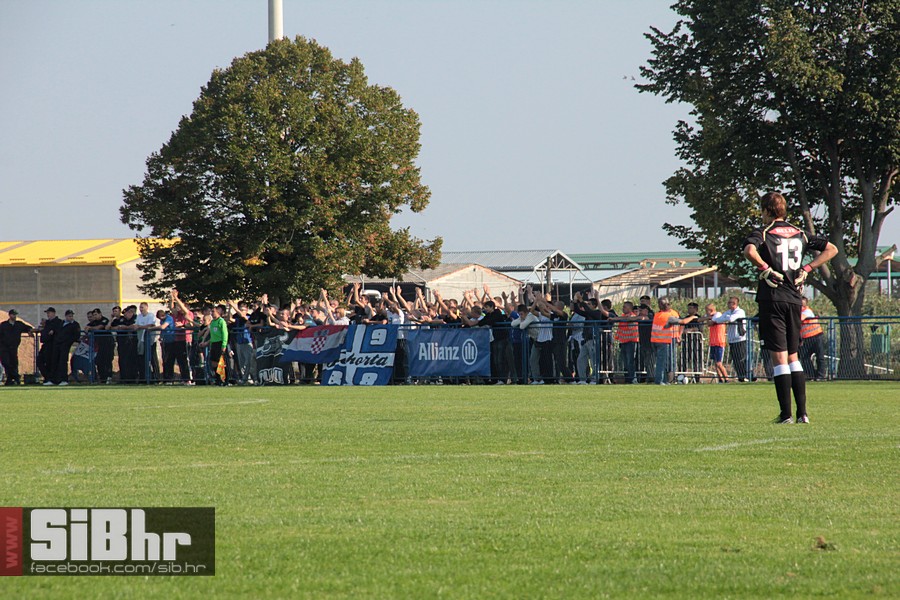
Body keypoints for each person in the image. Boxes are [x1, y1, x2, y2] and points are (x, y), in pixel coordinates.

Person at [743, 191, 837, 424]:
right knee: (794, 355)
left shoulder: (763, 233)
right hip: (795, 299)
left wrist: (766, 268)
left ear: (766, 211)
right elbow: (832, 249)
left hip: (772, 297)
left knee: (779, 357)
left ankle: (785, 414)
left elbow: (749, 251)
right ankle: (802, 413)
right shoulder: (800, 233)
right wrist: (807, 269)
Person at [712, 296, 751, 381]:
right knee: (735, 360)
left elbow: (731, 319)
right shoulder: (728, 312)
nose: (727, 304)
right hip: (732, 340)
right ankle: (741, 377)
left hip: (740, 339)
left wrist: (725, 318)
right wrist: (724, 318)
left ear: (734, 304)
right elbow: (718, 320)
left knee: (741, 359)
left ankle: (746, 376)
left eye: (729, 303)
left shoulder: (740, 312)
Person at [0, 310, 33, 386]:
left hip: (13, 347)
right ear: (9, 315)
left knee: (14, 363)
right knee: (6, 362)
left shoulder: (19, 324)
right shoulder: (3, 325)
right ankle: (15, 377)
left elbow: (28, 327)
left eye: (15, 315)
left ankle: (11, 379)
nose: (14, 316)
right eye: (13, 315)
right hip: (4, 347)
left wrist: (29, 331)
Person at [650, 297, 679, 385]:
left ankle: (665, 380)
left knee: (663, 361)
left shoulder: (657, 315)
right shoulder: (668, 316)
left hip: (657, 340)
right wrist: (693, 317)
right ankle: (660, 380)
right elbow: (683, 321)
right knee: (662, 362)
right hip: (663, 340)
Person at [50, 309, 81, 385]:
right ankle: (54, 380)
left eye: (71, 316)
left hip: (65, 345)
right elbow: (56, 330)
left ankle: (64, 379)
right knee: (55, 361)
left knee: (63, 362)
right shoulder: (61, 323)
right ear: (66, 316)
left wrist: (68, 341)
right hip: (57, 344)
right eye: (69, 316)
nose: (71, 317)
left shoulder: (75, 324)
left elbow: (76, 335)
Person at [799, 297, 826, 381]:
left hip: (816, 336)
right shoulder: (798, 312)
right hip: (806, 339)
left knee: (820, 357)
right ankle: (811, 375)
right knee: (804, 357)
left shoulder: (807, 311)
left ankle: (820, 376)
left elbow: (801, 318)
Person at [612, 301, 639, 383]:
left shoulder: (632, 316)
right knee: (625, 362)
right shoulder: (623, 316)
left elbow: (626, 319)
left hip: (631, 342)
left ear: (630, 308)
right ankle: (627, 378)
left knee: (630, 361)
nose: (623, 308)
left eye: (625, 307)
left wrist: (614, 319)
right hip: (623, 341)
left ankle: (632, 378)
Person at [704, 303, 729, 383]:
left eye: (707, 310)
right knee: (715, 363)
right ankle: (720, 379)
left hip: (719, 342)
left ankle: (727, 378)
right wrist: (707, 317)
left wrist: (707, 318)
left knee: (719, 363)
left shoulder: (718, 315)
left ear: (711, 310)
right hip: (713, 342)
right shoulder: (710, 316)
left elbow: (710, 323)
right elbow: (700, 319)